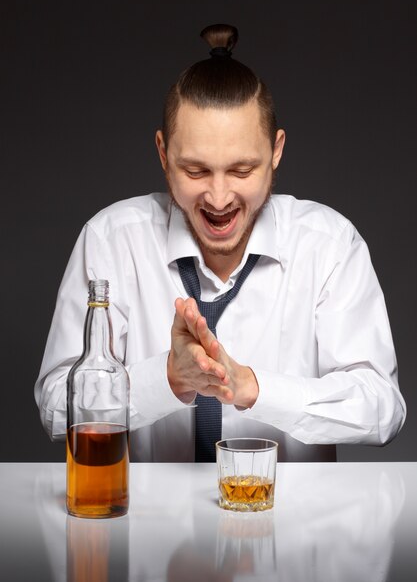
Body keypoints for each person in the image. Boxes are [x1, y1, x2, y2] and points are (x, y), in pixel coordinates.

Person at [35, 24, 406, 462]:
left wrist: (251, 386)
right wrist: (169, 378)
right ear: (162, 154)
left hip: (296, 524)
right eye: (194, 171)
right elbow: (57, 408)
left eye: (242, 170)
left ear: (276, 152)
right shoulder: (111, 241)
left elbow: (382, 409)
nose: (218, 197)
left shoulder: (329, 244)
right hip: (151, 528)